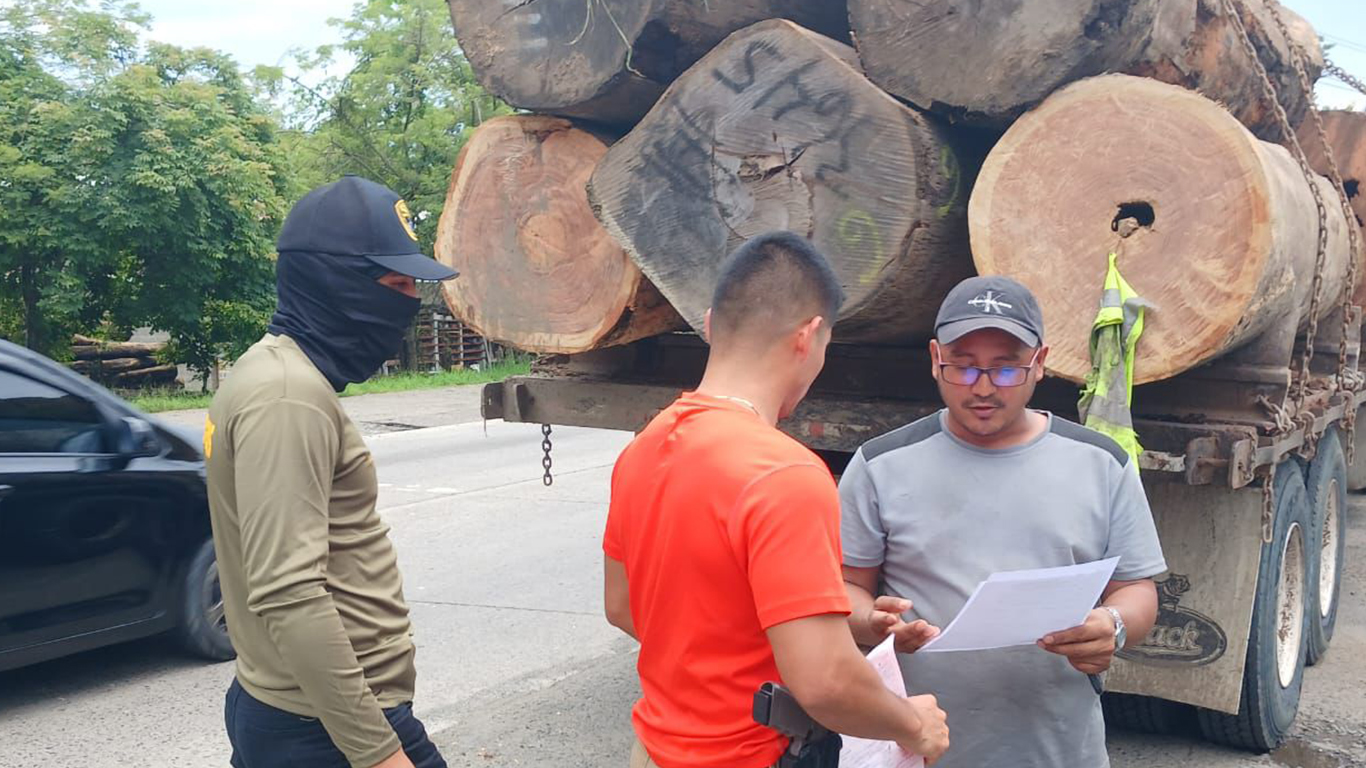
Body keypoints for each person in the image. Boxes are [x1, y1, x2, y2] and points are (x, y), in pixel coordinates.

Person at [602, 232, 950, 768]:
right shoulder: (784, 473)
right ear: (808, 337)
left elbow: (625, 608)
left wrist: (839, 622)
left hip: (654, 749)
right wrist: (916, 725)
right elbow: (827, 682)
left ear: (714, 323)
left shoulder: (644, 448)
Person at [839, 275, 1167, 767]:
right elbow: (842, 589)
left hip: (1057, 748)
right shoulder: (880, 465)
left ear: (1040, 363)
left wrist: (1113, 625)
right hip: (919, 753)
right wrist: (872, 622)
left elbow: (1137, 590)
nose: (984, 389)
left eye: (1006, 369)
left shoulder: (1101, 463)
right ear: (934, 359)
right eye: (963, 368)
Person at [205, 176, 458, 768]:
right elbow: (289, 593)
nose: (408, 302)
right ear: (333, 281)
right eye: (395, 283)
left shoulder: (267, 371)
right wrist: (378, 754)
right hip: (325, 727)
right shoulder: (287, 394)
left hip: (302, 713)